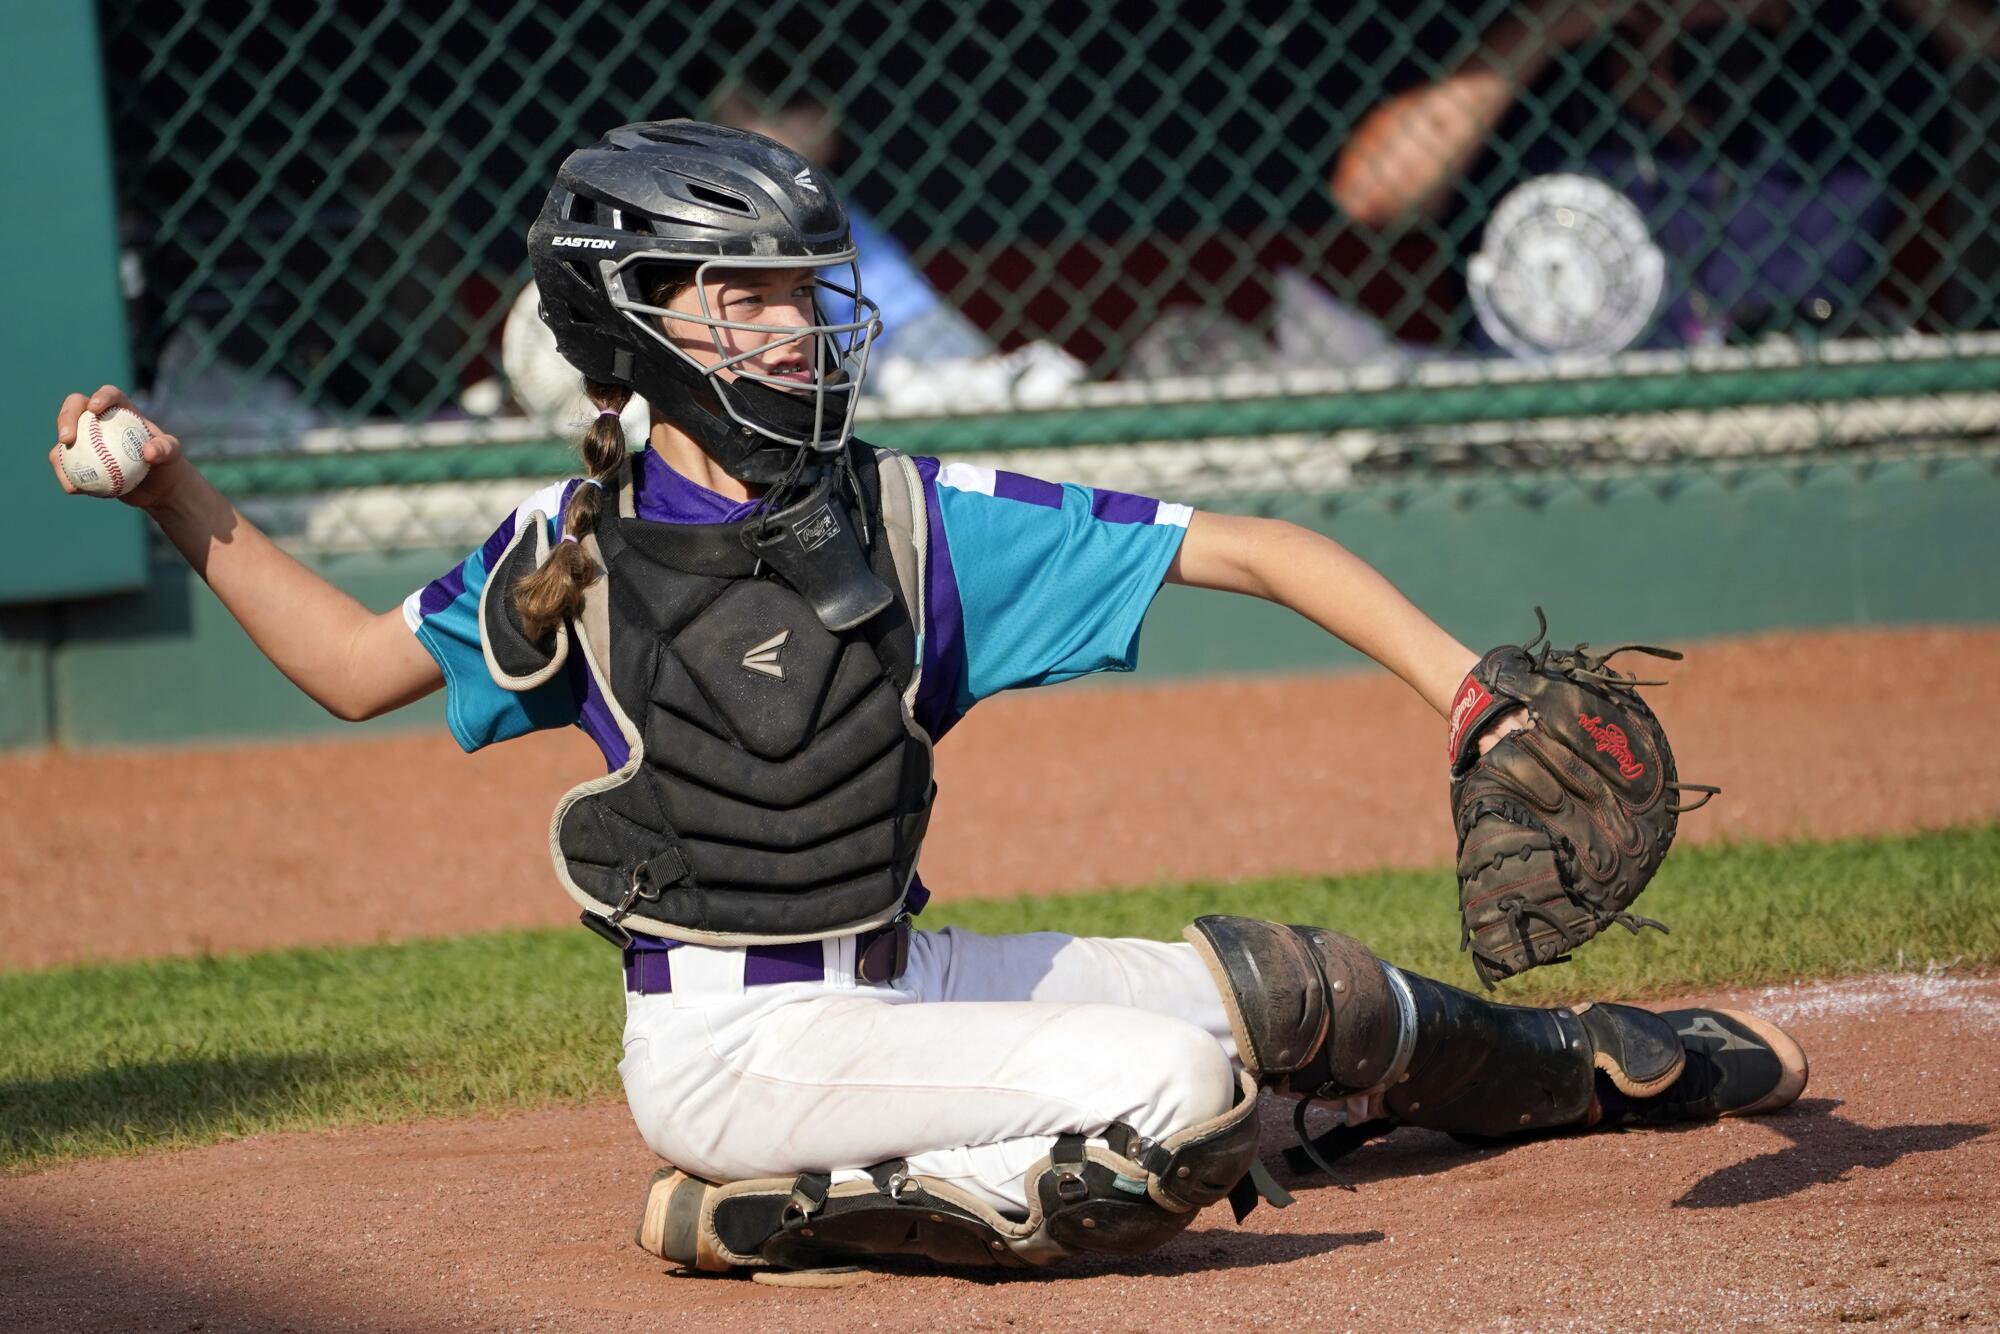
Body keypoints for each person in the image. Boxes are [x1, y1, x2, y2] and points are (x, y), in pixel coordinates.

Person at [50, 120, 1807, 1278]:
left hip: (890, 979)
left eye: (804, 294)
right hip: (733, 1051)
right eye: (744, 297)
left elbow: (1253, 547)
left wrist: (1467, 687)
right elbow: (355, 667)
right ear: (636, 315)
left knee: (1294, 986)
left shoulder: (901, 515)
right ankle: (768, 1219)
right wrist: (174, 498)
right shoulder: (563, 543)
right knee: (1181, 1089)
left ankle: (1586, 1072)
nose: (800, 326)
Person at [1328, 0, 1956, 349]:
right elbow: (1372, 196)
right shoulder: (1540, 126)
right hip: (1552, 442)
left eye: (1766, 12)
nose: (1744, 20)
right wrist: (1543, 29)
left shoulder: (1833, 128)